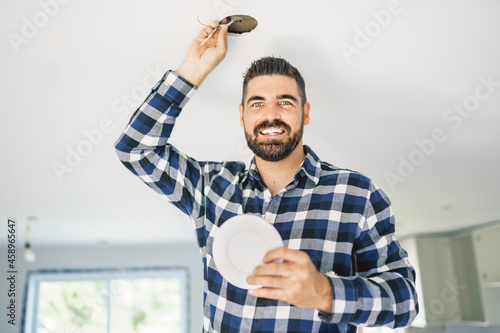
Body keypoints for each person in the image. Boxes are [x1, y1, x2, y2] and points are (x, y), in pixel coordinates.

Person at [114, 22, 418, 333]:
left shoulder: (357, 193)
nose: (270, 115)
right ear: (242, 116)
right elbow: (135, 150)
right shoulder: (210, 186)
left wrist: (325, 292)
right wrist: (193, 69)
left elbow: (405, 303)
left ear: (306, 113)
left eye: (285, 102)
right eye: (257, 103)